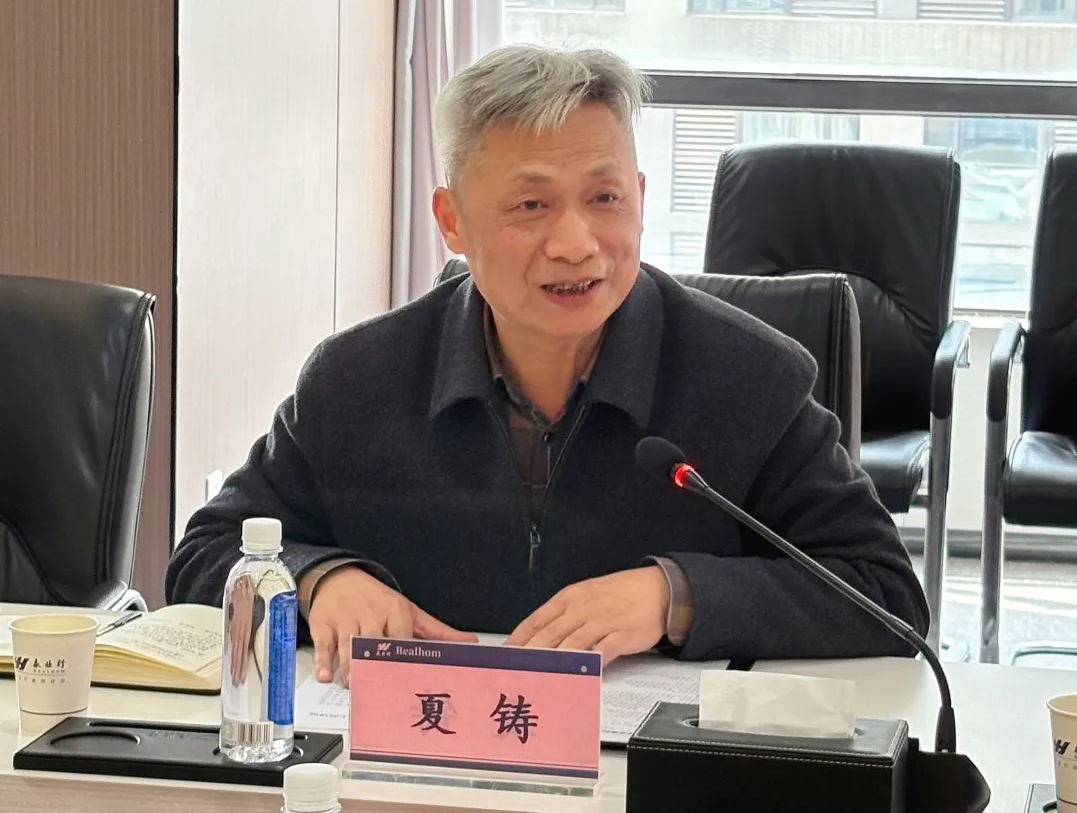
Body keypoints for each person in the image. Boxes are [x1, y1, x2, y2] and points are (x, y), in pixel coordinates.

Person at [166, 45, 929, 683]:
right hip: (415, 766)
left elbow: (885, 594)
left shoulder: (749, 378)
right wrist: (317, 580)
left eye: (603, 198)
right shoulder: (357, 378)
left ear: (638, 197)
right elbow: (205, 552)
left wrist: (674, 594)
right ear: (452, 221)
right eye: (530, 206)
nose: (575, 244)